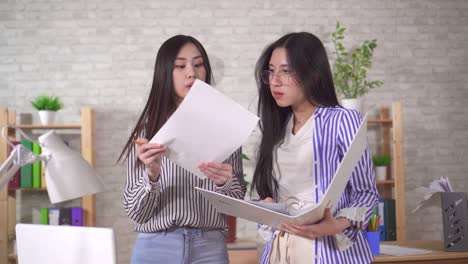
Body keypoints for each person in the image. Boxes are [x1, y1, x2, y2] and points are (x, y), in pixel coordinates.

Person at [251, 32, 379, 264]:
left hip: (328, 252)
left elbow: (366, 192)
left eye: (286, 71)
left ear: (313, 73)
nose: (275, 80)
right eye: (271, 71)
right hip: (281, 251)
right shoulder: (277, 128)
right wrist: (268, 208)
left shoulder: (343, 120)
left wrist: (334, 226)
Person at [118, 35, 246, 264]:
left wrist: (223, 183)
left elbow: (236, 202)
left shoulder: (227, 126)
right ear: (165, 73)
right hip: (156, 246)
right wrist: (152, 175)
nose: (191, 73)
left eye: (198, 65)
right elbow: (137, 213)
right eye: (180, 66)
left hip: (210, 248)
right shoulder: (146, 133)